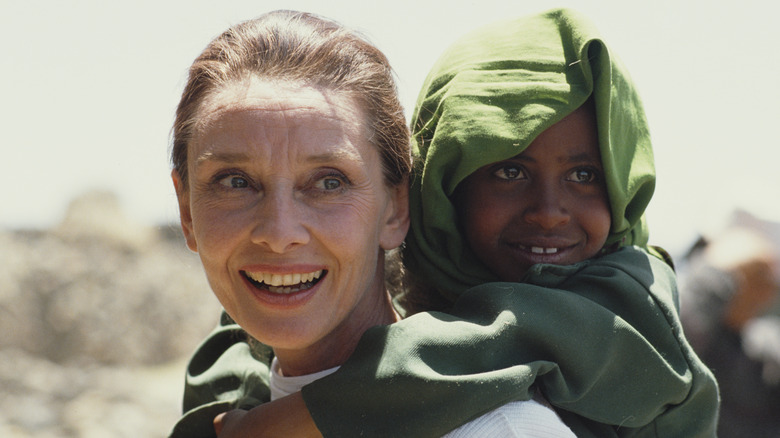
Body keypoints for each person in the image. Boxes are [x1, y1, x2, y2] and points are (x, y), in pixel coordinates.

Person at [173, 8, 720, 438]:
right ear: (186, 210)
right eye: (234, 182)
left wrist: (297, 418)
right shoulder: (275, 358)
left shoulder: (619, 308)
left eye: (329, 182)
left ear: (398, 204)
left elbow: (484, 347)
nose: (279, 231)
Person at [679, 211, 780, 437]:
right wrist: (719, 267)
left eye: (769, 281)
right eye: (750, 276)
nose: (763, 293)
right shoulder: (682, 313)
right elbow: (681, 339)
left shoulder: (764, 343)